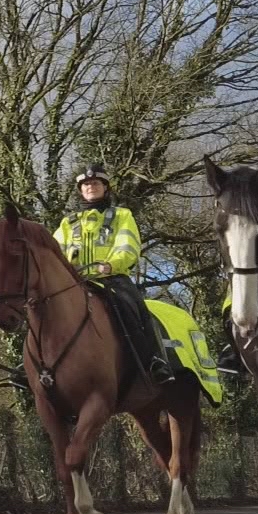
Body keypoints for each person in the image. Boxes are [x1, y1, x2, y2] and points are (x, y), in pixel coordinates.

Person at [53, 164, 178, 386]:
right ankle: (33, 366)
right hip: (76, 282)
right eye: (86, 184)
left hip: (111, 278)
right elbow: (55, 252)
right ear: (80, 190)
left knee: (133, 306)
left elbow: (128, 245)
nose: (91, 187)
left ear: (105, 188)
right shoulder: (67, 222)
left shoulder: (121, 215)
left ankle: (155, 361)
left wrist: (112, 265)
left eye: (95, 183)